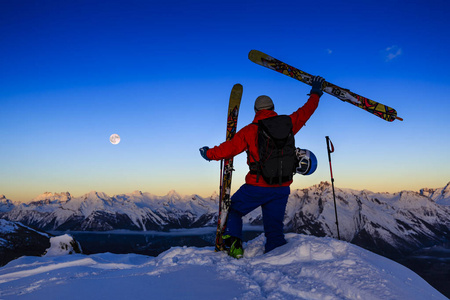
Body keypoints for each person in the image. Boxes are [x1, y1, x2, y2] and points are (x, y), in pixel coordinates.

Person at [200, 76, 325, 258]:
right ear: (273, 108)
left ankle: (234, 244)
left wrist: (208, 153)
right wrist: (315, 93)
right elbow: (307, 110)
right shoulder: (289, 123)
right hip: (282, 187)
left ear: (256, 111)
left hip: (257, 186)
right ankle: (276, 257)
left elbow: (228, 150)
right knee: (274, 229)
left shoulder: (251, 130)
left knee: (233, 210)